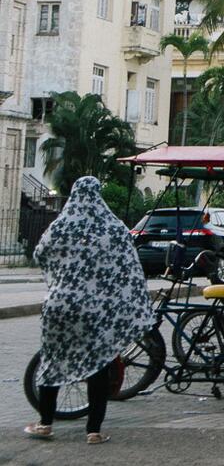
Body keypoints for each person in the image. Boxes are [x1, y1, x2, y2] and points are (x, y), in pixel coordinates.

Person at [24, 176, 154, 443]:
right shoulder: (113, 227)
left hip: (60, 305)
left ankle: (45, 424)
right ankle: (93, 431)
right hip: (97, 311)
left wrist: (61, 273)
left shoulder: (61, 225)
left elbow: (39, 253)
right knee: (98, 367)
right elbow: (129, 264)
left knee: (52, 362)